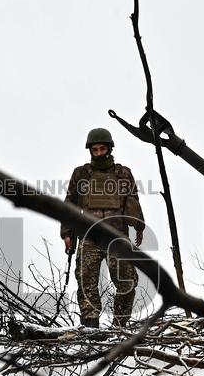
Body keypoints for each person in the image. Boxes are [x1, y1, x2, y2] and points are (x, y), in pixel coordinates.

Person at [60, 128, 145, 328]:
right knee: (86, 283)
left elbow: (132, 201)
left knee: (127, 281)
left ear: (109, 148)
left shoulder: (123, 173)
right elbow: (70, 204)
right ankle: (91, 328)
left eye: (102, 149)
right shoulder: (81, 174)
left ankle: (119, 327)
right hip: (89, 237)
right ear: (90, 150)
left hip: (117, 237)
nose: (99, 153)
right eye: (95, 149)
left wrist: (139, 226)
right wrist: (67, 233)